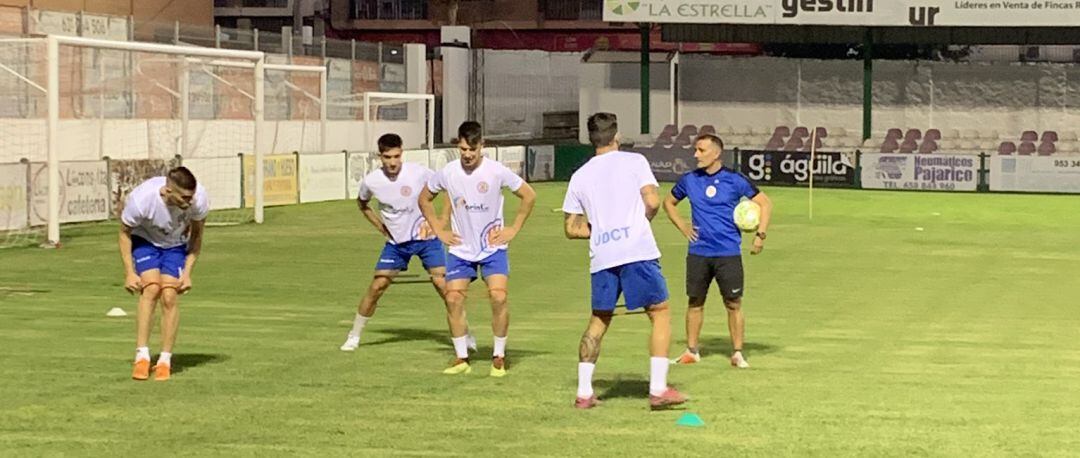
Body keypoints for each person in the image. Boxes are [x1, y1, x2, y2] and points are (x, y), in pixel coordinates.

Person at [562, 112, 688, 410]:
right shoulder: (635, 162)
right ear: (616, 135)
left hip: (603, 255)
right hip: (637, 251)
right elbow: (654, 200)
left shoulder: (580, 175)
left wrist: (600, 230)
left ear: (591, 139)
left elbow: (570, 228)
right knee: (660, 312)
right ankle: (658, 389)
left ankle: (583, 393)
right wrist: (641, 222)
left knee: (599, 319)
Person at [419, 121, 536, 377]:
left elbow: (529, 195)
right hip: (461, 249)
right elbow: (424, 198)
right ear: (457, 147)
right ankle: (461, 357)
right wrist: (439, 231)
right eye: (463, 149)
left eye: (472, 149)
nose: (468, 154)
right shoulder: (448, 172)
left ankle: (499, 356)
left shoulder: (496, 171)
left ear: (482, 145)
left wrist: (513, 229)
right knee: (452, 299)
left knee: (499, 297)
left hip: (492, 246)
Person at [340, 134, 475, 353]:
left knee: (444, 287)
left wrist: (440, 222)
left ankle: (465, 334)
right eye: (387, 157)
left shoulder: (418, 172)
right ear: (379, 156)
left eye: (396, 156)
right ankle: (354, 335)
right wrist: (380, 227)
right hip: (397, 244)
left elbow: (449, 189)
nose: (392, 162)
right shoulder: (371, 181)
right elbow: (362, 204)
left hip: (426, 240)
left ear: (402, 153)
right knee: (377, 286)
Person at [663, 134, 773, 368]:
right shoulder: (689, 180)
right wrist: (682, 225)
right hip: (698, 252)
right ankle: (691, 351)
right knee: (695, 301)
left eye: (701, 150)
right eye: (696, 150)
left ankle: (737, 353)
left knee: (733, 303)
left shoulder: (735, 180)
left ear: (716, 153)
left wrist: (760, 235)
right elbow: (668, 203)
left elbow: (765, 203)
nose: (696, 155)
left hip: (728, 253)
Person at [119, 166, 209, 382]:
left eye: (191, 196)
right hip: (145, 240)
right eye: (184, 197)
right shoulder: (142, 200)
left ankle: (165, 360)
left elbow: (197, 237)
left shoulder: (199, 200)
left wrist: (187, 273)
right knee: (151, 288)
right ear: (168, 191)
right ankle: (142, 356)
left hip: (176, 245)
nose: (189, 202)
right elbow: (124, 234)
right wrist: (130, 273)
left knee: (169, 295)